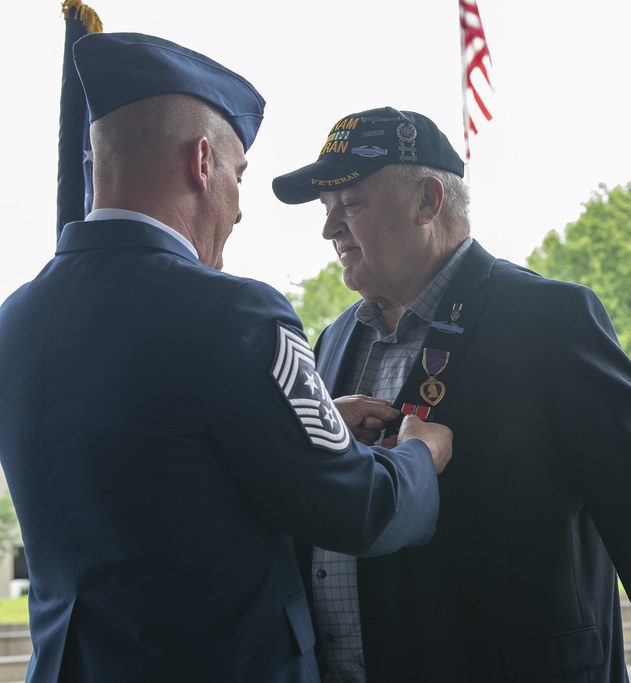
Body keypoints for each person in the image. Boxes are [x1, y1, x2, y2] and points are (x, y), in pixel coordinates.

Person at [0, 35, 452, 683]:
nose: (239, 209)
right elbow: (356, 507)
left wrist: (312, 417)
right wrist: (419, 455)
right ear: (202, 161)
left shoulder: (15, 319)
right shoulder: (236, 315)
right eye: (239, 177)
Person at [272, 106, 631, 682]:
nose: (329, 228)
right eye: (326, 209)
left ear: (427, 201)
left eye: (351, 203)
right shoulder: (332, 341)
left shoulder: (549, 321)